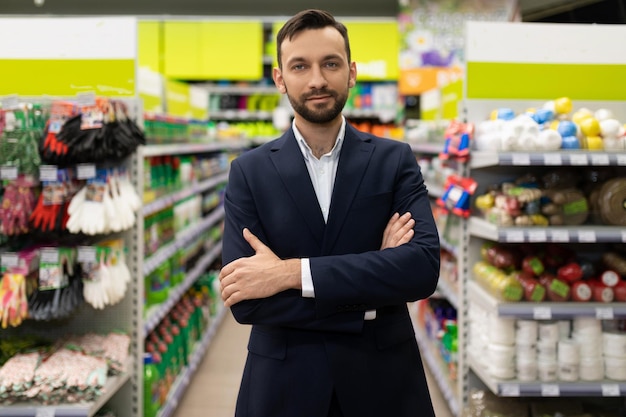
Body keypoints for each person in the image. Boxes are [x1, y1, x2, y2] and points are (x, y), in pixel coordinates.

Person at [219, 9, 440, 417]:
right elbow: (246, 301)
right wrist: (374, 282)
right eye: (300, 66)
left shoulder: (394, 160)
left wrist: (288, 274)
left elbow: (421, 269)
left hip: (383, 383)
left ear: (351, 72)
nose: (317, 79)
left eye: (331, 64)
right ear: (280, 79)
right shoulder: (249, 172)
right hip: (285, 386)